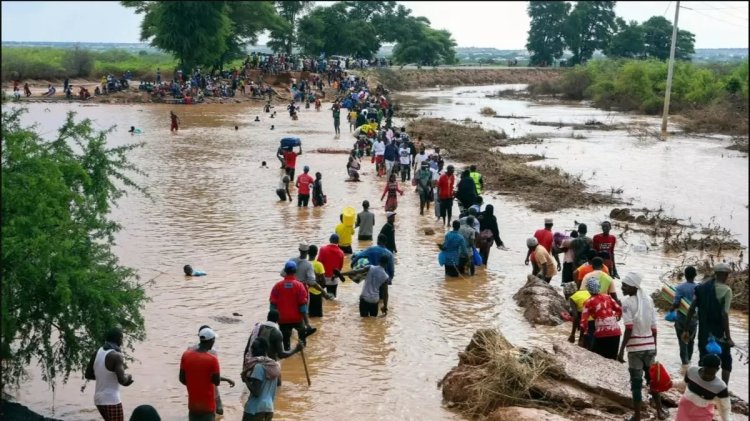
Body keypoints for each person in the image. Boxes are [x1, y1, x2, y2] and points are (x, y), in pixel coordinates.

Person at [617, 272, 665, 421]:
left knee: (636, 383)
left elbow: (629, 328)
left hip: (635, 349)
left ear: (633, 287)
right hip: (649, 346)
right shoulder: (648, 300)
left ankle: (637, 416)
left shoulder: (626, 302)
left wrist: (621, 350)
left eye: (625, 285)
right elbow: (654, 327)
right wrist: (654, 346)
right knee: (653, 382)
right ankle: (660, 412)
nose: (622, 287)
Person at [684, 263, 734, 384]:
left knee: (704, 359)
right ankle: (723, 387)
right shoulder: (727, 290)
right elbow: (724, 314)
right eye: (727, 274)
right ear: (725, 275)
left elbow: (691, 308)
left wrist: (686, 329)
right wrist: (728, 337)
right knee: (726, 360)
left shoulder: (701, 288)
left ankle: (701, 385)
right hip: (719, 333)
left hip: (704, 332)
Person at [84, 328, 134, 421]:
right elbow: (122, 380)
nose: (122, 342)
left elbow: (88, 375)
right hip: (111, 400)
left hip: (98, 399)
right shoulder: (116, 356)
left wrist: (103, 376)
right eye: (121, 339)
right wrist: (129, 377)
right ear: (118, 339)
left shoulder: (97, 352)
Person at [187, 325, 235, 416]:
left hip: (195, 390)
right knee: (218, 410)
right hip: (211, 389)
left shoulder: (189, 351)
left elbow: (184, 376)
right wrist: (227, 379)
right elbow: (215, 378)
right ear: (211, 340)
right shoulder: (212, 353)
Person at [270, 261, 314, 351]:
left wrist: (272, 323)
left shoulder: (277, 286)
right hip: (297, 319)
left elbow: (272, 305)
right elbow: (303, 306)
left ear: (285, 271)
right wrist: (307, 323)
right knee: (302, 339)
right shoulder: (300, 286)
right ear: (295, 271)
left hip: (282, 320)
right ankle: (301, 350)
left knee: (286, 343)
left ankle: (288, 354)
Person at [179, 327, 221, 421]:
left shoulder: (186, 355)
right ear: (211, 341)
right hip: (208, 406)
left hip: (193, 405)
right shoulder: (212, 360)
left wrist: (194, 385)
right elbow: (217, 382)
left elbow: (182, 378)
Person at [675, 354, 731, 421]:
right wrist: (670, 383)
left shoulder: (721, 387)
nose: (707, 376)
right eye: (705, 372)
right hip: (685, 408)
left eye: (711, 374)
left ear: (718, 369)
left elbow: (725, 408)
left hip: (703, 414)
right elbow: (683, 384)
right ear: (702, 366)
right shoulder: (692, 371)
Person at [580, 277, 622, 360]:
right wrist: (616, 317)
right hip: (616, 331)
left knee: (599, 358)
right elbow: (619, 309)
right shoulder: (608, 297)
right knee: (612, 359)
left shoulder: (588, 302)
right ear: (599, 287)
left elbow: (583, 322)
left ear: (588, 289)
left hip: (602, 333)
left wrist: (583, 336)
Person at [242, 337, 281, 421]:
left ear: (264, 349)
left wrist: (245, 379)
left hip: (254, 409)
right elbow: (276, 384)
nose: (252, 350)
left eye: (255, 348)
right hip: (269, 408)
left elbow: (256, 392)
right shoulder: (274, 365)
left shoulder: (258, 367)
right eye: (252, 347)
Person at [673, 266, 699, 371]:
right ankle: (689, 364)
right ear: (695, 275)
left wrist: (671, 309)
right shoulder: (698, 288)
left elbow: (676, 303)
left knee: (682, 342)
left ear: (685, 275)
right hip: (693, 320)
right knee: (691, 341)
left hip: (681, 319)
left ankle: (684, 363)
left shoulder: (680, 288)